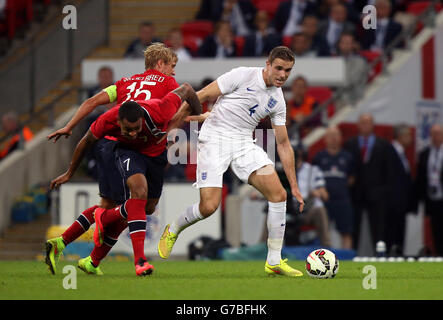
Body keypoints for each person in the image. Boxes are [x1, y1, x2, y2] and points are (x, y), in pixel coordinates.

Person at [157, 46, 306, 277]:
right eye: (279, 68)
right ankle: (173, 228)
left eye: (288, 70)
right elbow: (202, 95)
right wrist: (172, 128)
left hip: (244, 142)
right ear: (268, 64)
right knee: (208, 207)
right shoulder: (242, 75)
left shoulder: (278, 100)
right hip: (214, 138)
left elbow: (284, 144)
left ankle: (274, 261)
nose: (283, 75)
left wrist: (294, 186)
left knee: (279, 195)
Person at [45, 44, 180, 275]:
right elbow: (183, 104)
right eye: (172, 66)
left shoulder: (125, 82)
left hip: (112, 143)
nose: (173, 72)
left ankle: (72, 248)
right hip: (118, 145)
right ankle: (136, 261)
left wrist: (69, 126)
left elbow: (91, 102)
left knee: (132, 207)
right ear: (160, 64)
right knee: (127, 204)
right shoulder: (168, 84)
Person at [344, 113, 393, 254]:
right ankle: (352, 255)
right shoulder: (350, 144)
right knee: (354, 227)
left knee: (379, 228)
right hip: (356, 193)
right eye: (363, 122)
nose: (365, 125)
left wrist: (385, 191)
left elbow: (388, 170)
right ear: (358, 125)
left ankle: (380, 255)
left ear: (373, 125)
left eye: (368, 122)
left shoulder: (383, 145)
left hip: (377, 194)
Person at [312, 126, 354, 249]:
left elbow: (352, 178)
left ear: (341, 138)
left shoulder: (347, 157)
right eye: (331, 135)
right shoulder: (319, 157)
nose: (334, 138)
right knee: (323, 232)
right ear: (325, 139)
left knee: (346, 232)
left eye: (336, 135)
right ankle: (321, 260)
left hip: (343, 200)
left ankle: (348, 260)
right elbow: (313, 178)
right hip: (324, 202)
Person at [386, 124, 414, 256]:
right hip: (393, 203)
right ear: (401, 136)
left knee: (399, 236)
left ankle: (397, 257)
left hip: (401, 204)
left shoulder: (402, 153)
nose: (410, 138)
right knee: (392, 235)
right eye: (408, 135)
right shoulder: (390, 151)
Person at [416, 124, 443, 256]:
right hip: (432, 200)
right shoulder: (425, 153)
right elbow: (421, 178)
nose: (435, 137)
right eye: (433, 134)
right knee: (436, 231)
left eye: (438, 134)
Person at [336, 33, 369, 104]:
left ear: (353, 45)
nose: (346, 45)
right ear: (339, 44)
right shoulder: (335, 61)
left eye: (349, 43)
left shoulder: (360, 61)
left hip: (355, 98)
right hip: (338, 98)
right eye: (343, 42)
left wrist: (334, 83)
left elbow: (350, 81)